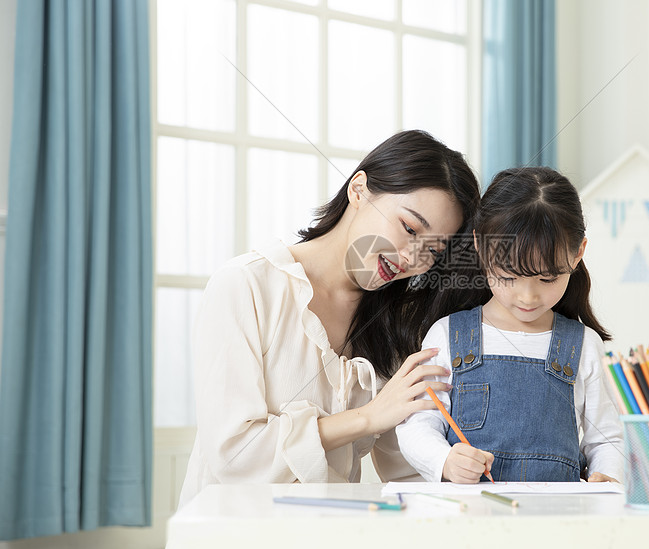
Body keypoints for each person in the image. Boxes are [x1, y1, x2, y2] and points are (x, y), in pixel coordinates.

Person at [178, 130, 481, 506]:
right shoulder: (246, 286)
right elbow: (236, 456)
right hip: (231, 531)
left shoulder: (397, 326)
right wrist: (367, 418)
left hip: (330, 533)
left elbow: (405, 466)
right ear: (359, 190)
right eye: (408, 228)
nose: (411, 257)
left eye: (433, 251)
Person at [396, 166, 624, 483]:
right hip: (470, 517)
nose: (527, 296)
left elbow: (607, 438)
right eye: (508, 276)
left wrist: (607, 476)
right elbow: (418, 423)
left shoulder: (584, 345)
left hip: (558, 519)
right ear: (479, 246)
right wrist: (444, 460)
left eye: (547, 278)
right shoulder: (448, 335)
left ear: (577, 254)